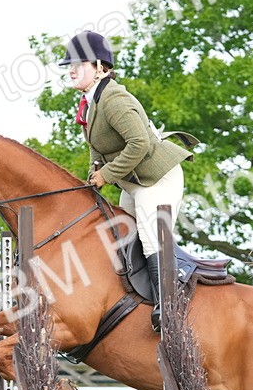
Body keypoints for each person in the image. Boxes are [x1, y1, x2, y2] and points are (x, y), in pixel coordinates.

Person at [59, 30, 199, 332]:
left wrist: (106, 175)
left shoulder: (114, 98)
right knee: (122, 234)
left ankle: (170, 306)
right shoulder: (91, 101)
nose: (71, 70)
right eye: (70, 65)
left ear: (99, 67)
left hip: (158, 178)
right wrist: (94, 171)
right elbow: (97, 146)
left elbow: (139, 144)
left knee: (150, 234)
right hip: (135, 182)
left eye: (78, 64)